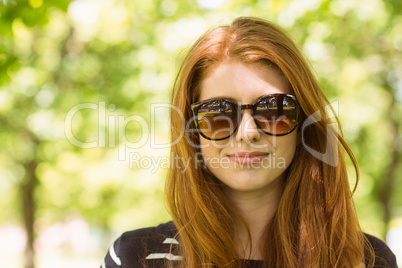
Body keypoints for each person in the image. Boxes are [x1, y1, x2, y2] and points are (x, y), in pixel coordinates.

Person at [102, 17, 397, 268]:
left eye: (273, 110)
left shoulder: (365, 259)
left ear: (304, 125)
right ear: (192, 130)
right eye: (218, 114)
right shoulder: (133, 258)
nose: (247, 132)